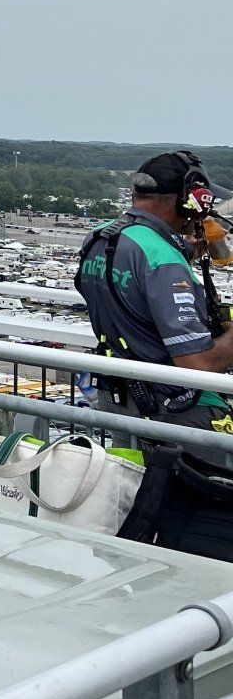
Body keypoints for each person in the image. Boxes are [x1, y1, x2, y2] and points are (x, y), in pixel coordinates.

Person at [76, 151, 233, 556]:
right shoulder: (162, 258)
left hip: (122, 400)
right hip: (177, 410)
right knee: (203, 516)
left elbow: (129, 295)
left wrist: (185, 256)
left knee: (143, 505)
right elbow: (196, 364)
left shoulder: (103, 237)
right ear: (184, 197)